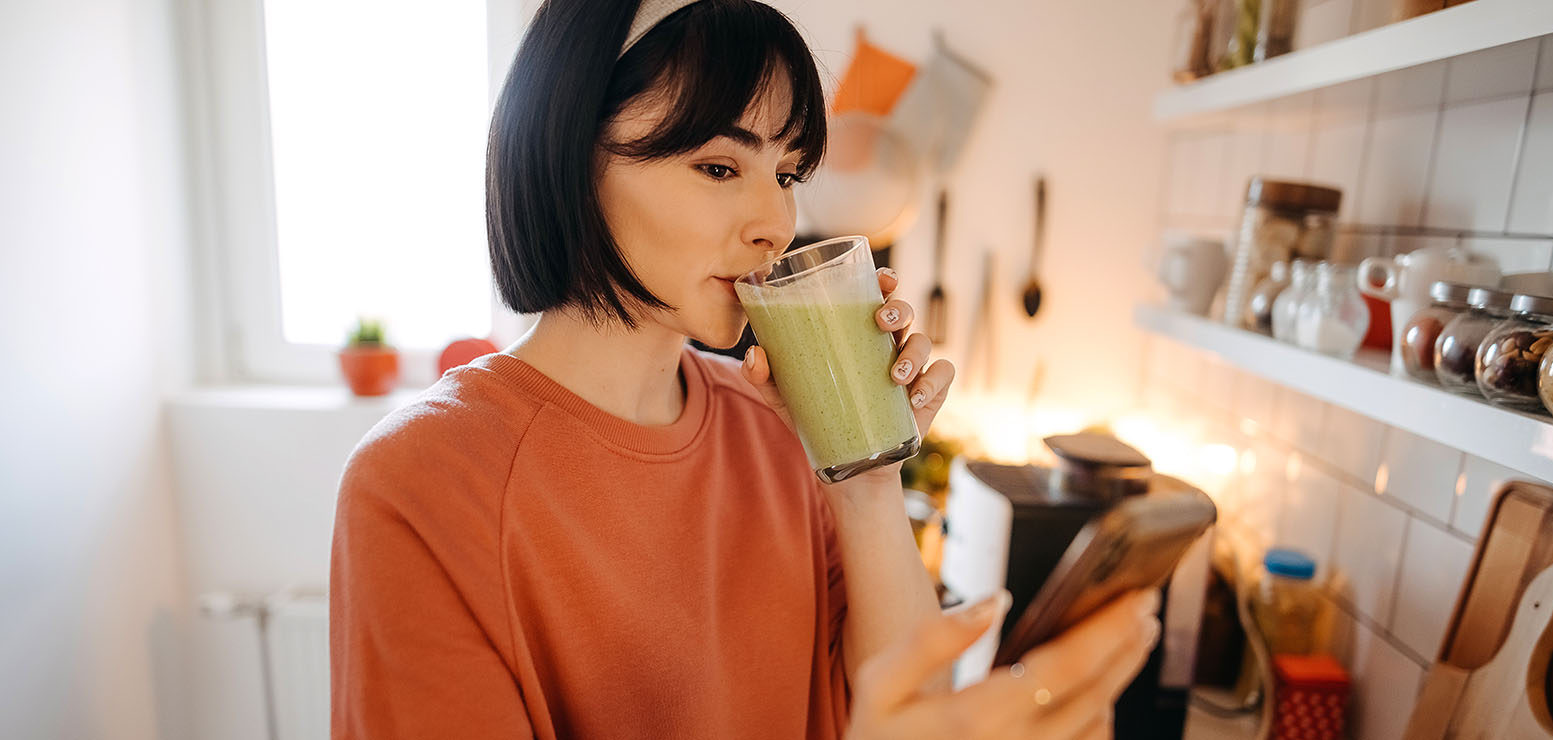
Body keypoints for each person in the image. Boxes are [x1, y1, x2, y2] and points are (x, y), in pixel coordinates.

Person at [328, 0, 1160, 737]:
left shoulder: (775, 423)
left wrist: (865, 474)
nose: (777, 221)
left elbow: (910, 704)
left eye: (788, 172)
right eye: (720, 167)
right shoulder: (423, 484)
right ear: (569, 155)